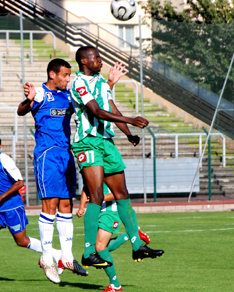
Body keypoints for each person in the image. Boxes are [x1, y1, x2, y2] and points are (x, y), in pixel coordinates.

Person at [70, 46, 164, 267]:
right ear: (84, 61)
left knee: (122, 194)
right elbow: (96, 111)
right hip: (87, 142)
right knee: (96, 196)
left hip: (106, 143)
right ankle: (88, 252)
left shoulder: (102, 83)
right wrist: (132, 120)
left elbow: (112, 108)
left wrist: (128, 133)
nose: (101, 61)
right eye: (97, 58)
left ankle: (136, 245)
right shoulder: (78, 83)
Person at [18, 58, 87, 284]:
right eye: (65, 75)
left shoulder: (68, 95)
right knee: (50, 204)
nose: (68, 79)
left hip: (66, 154)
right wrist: (28, 101)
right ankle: (47, 258)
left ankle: (66, 256)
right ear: (52, 74)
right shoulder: (40, 93)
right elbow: (21, 110)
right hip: (47, 155)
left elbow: (91, 104)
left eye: (69, 75)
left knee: (67, 204)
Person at [0, 135, 60, 286]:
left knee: (21, 241)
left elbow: (19, 183)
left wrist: (0, 197)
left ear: (0, 146)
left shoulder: (5, 159)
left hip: (13, 207)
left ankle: (55, 254)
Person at [77, 183, 152, 292]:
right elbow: (86, 188)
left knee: (100, 247)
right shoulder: (90, 170)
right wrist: (81, 207)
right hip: (96, 211)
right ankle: (131, 235)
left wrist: (99, 198)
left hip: (110, 212)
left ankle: (115, 284)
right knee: (100, 250)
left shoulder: (107, 171)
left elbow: (118, 194)